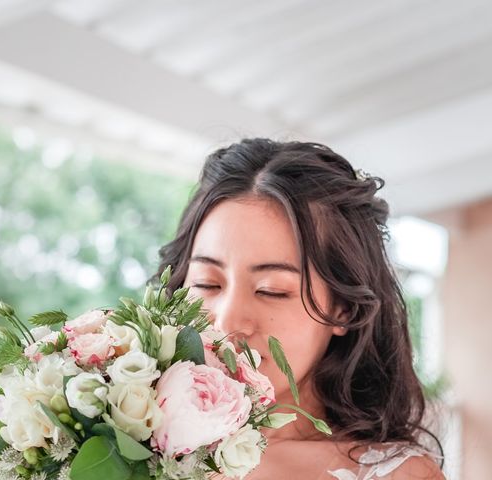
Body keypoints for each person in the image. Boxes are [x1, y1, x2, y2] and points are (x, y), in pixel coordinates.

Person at [156, 139, 445, 479]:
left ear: (344, 308)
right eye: (207, 283)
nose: (227, 321)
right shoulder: (128, 441)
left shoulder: (398, 474)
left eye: (271, 290)